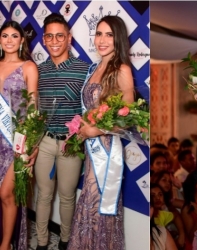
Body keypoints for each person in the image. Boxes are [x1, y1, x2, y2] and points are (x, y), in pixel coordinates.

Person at [67, 15, 134, 249]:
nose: (102, 40)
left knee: (97, 205)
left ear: (118, 39)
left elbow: (129, 118)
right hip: (91, 150)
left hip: (106, 150)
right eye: (99, 34)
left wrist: (96, 129)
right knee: (88, 202)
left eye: (109, 35)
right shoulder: (95, 67)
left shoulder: (122, 69)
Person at [34, 13, 89, 250]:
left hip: (71, 145)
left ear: (69, 38)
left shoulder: (84, 69)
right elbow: (33, 109)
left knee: (67, 197)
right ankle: (42, 242)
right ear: (44, 40)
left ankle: (66, 242)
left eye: (60, 36)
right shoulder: (38, 70)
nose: (54, 41)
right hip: (44, 142)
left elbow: (90, 109)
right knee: (43, 196)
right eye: (49, 36)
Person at [0, 21, 38, 250]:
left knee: (6, 193)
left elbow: (33, 107)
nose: (9, 40)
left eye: (15, 36)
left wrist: (30, 142)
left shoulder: (28, 67)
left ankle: (6, 245)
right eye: (5, 35)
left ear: (22, 40)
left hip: (16, 139)